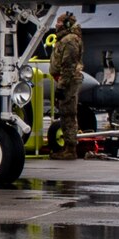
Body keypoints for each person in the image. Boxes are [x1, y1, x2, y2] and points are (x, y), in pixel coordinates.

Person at [48, 11, 84, 157]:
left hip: (68, 81)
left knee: (68, 113)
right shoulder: (66, 39)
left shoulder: (69, 40)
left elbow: (68, 66)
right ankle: (69, 148)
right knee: (65, 113)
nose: (56, 25)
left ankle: (70, 149)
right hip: (65, 80)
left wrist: (61, 87)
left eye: (59, 22)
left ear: (66, 24)